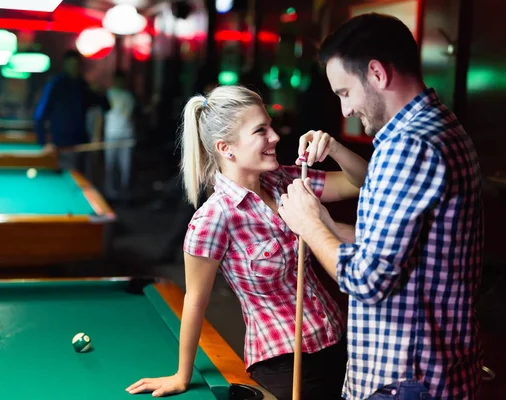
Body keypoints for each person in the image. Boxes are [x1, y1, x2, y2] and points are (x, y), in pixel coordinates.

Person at [278, 13, 484, 400]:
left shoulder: (408, 147)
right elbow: (401, 251)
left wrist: (310, 226)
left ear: (376, 73)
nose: (345, 110)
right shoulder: (441, 125)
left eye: (344, 93)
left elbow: (368, 279)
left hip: (404, 381)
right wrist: (325, 223)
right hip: (429, 374)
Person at [126, 85, 369, 400]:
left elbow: (363, 182)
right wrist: (181, 375)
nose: (275, 136)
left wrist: (333, 147)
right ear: (227, 148)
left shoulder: (286, 181)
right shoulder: (214, 218)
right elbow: (195, 301)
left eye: (269, 126)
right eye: (261, 131)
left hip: (340, 342)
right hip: (286, 364)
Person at [33, 50, 109, 175]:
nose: (74, 68)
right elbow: (40, 115)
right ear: (65, 65)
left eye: (76, 65)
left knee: (80, 180)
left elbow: (106, 107)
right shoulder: (56, 85)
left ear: (80, 66)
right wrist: (43, 143)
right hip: (61, 146)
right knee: (64, 179)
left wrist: (101, 92)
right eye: (71, 64)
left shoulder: (84, 86)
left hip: (81, 145)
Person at [103, 70, 136, 200]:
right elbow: (101, 116)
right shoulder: (107, 94)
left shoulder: (128, 96)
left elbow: (131, 116)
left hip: (126, 136)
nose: (120, 82)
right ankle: (109, 193)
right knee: (110, 165)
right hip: (110, 135)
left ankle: (124, 193)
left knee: (125, 167)